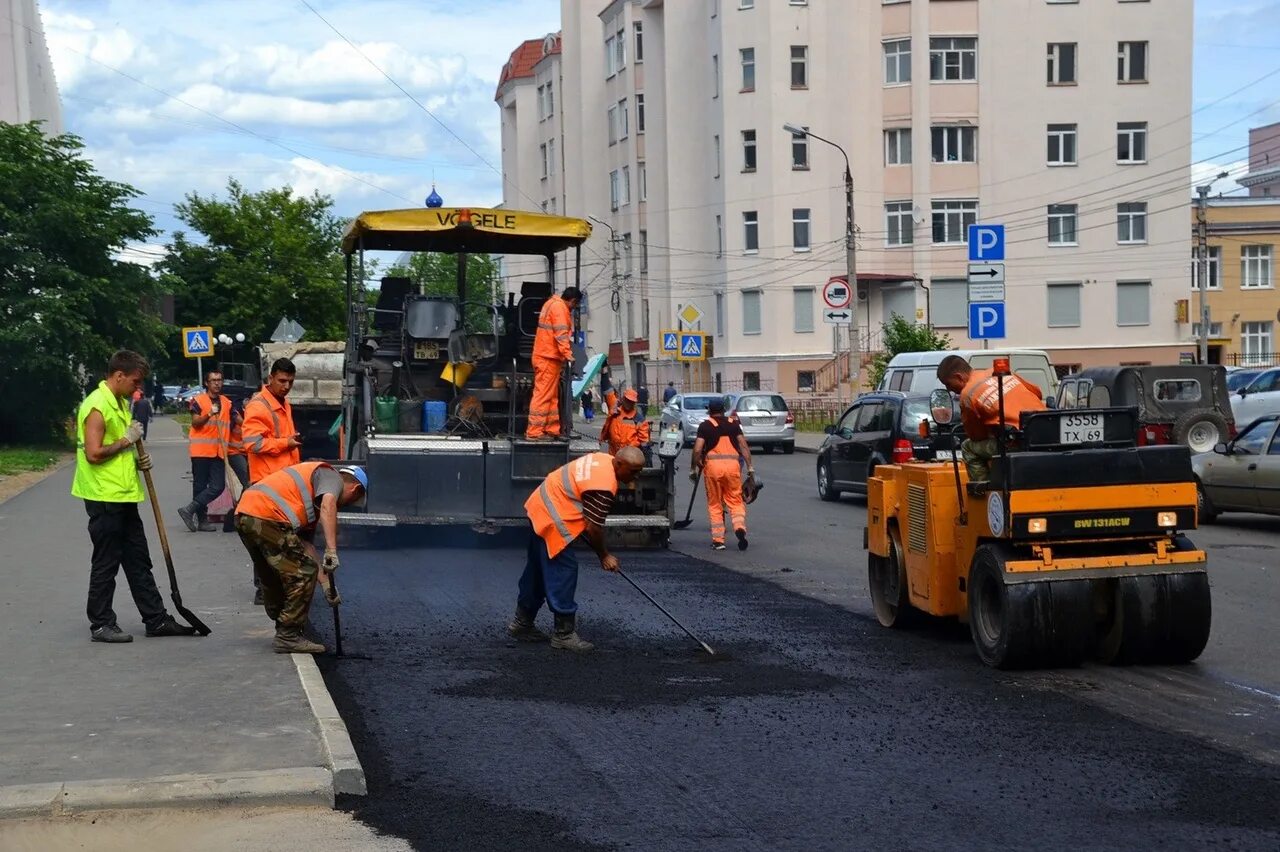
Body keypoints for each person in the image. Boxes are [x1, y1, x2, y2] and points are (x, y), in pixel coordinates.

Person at [72, 350, 198, 643]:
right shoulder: (97, 406)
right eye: (135, 381)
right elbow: (93, 454)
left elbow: (116, 449)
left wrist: (136, 457)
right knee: (107, 561)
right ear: (118, 375)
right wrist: (126, 440)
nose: (138, 387)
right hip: (104, 498)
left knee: (138, 558)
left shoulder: (118, 402)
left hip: (123, 494)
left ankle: (155, 619)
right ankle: (101, 623)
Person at [507, 447, 646, 653]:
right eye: (633, 471)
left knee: (537, 570)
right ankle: (563, 635)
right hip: (553, 518)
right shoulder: (604, 486)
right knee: (564, 571)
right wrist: (604, 556)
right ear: (618, 464)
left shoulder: (602, 459)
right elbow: (594, 528)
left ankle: (522, 623)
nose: (636, 476)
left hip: (541, 505)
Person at [235, 462, 367, 653]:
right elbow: (329, 505)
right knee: (303, 573)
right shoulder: (331, 477)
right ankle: (288, 636)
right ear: (354, 489)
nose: (344, 504)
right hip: (268, 515)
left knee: (278, 572)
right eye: (349, 501)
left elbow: (306, 546)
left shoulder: (307, 500)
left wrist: (326, 584)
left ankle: (283, 624)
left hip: (247, 514)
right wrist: (331, 550)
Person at [936, 354, 1046, 483]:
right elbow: (1037, 392)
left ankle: (983, 490)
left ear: (959, 377)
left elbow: (977, 436)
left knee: (968, 447)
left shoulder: (968, 394)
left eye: (948, 384)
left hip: (1017, 443)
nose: (949, 389)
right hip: (1045, 432)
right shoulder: (1001, 373)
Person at [691, 398, 754, 552]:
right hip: (733, 468)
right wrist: (750, 467)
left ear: (709, 411)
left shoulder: (705, 426)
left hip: (713, 469)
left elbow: (698, 449)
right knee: (736, 501)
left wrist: (694, 467)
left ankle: (718, 541)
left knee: (715, 504)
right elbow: (743, 445)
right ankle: (740, 527)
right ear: (724, 410)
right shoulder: (734, 424)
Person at [177, 370, 230, 532]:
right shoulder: (198, 401)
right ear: (207, 383)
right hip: (201, 451)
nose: (217, 383)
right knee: (200, 486)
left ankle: (189, 509)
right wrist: (209, 413)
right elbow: (195, 423)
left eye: (219, 380)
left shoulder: (227, 402)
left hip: (219, 452)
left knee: (218, 486)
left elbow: (236, 421)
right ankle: (202, 520)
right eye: (213, 380)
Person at [526, 286, 581, 441]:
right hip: (547, 358)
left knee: (551, 396)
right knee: (543, 395)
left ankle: (551, 429)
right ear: (573, 301)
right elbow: (561, 335)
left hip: (547, 357)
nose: (573, 310)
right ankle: (534, 431)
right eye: (575, 306)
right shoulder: (560, 308)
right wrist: (568, 355)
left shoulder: (551, 303)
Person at [243, 358, 302, 484]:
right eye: (282, 381)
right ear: (270, 378)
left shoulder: (283, 402)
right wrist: (286, 443)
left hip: (282, 476)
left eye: (290, 382)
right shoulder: (258, 406)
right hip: (267, 479)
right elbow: (253, 444)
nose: (287, 386)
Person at [601, 387, 652, 464]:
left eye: (631, 401)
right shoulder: (615, 411)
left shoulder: (639, 420)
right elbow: (608, 392)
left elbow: (644, 442)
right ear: (623, 399)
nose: (629, 403)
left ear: (634, 403)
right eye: (627, 400)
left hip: (630, 460)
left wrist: (647, 459)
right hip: (613, 456)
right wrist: (604, 374)